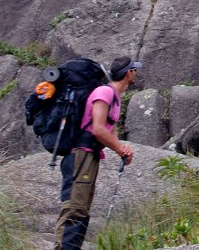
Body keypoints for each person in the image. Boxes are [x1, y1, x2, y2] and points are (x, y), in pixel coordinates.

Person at [54, 56, 140, 250]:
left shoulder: (114, 97)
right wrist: (119, 148)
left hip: (89, 155)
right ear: (129, 73)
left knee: (82, 207)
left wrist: (121, 149)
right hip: (80, 155)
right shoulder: (104, 92)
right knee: (75, 207)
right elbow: (98, 129)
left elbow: (109, 130)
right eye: (134, 70)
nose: (136, 73)